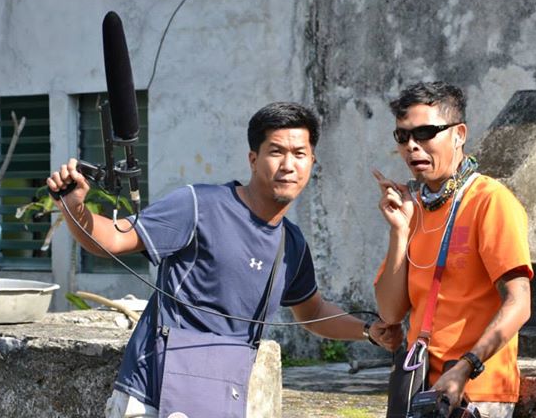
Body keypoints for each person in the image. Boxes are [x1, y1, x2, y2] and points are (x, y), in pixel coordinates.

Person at [47, 102, 403, 418]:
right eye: (276, 151)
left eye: (299, 154)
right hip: (153, 394)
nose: (288, 165)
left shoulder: (291, 243)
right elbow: (113, 238)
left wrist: (367, 331)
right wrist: (75, 207)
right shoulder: (198, 205)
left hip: (220, 395)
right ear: (253, 159)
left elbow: (312, 312)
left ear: (312, 162)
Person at [373, 82, 533, 418]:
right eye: (403, 136)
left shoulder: (489, 201)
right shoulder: (413, 208)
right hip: (418, 384)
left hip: (474, 390)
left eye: (425, 133)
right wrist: (399, 231)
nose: (412, 146)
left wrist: (466, 366)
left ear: (459, 134)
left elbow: (519, 303)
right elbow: (390, 313)